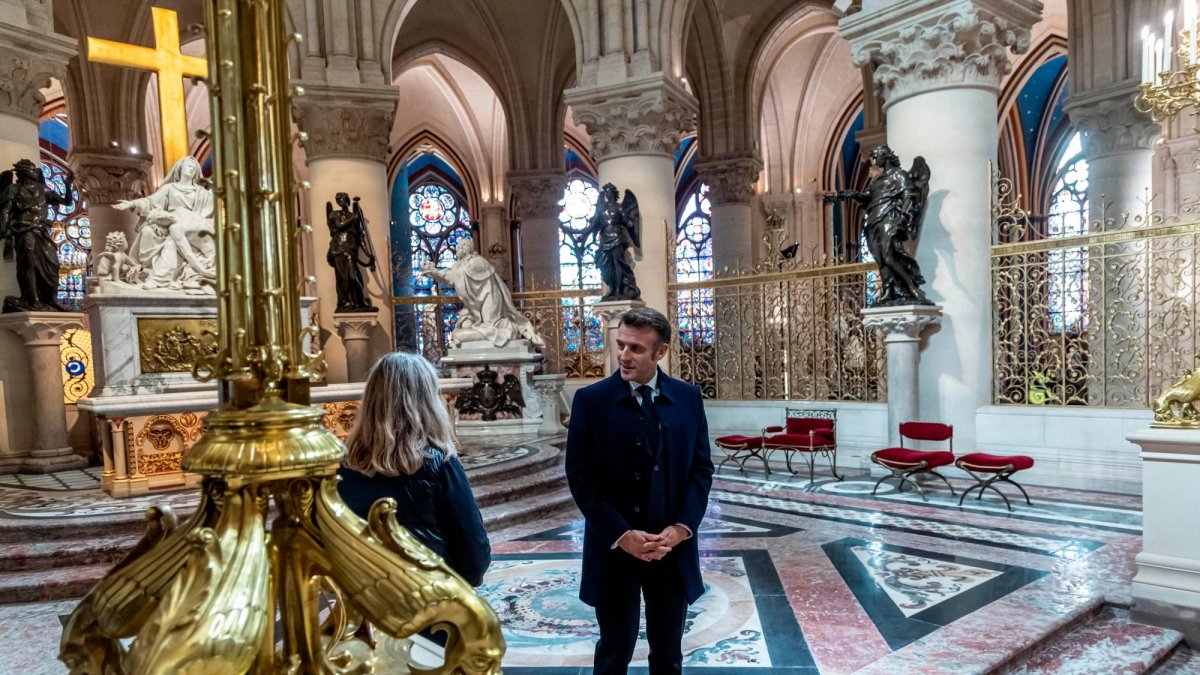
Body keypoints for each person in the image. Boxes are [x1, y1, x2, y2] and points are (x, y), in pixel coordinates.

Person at [565, 306, 714, 674]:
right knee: (614, 651)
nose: (624, 355)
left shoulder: (688, 397)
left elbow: (700, 470)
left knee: (668, 655)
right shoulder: (591, 401)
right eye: (621, 345)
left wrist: (681, 528)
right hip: (614, 548)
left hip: (670, 549)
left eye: (636, 348)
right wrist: (621, 534)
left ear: (660, 351)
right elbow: (581, 477)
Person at [337, 351, 491, 588]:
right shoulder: (440, 465)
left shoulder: (341, 468)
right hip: (428, 597)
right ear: (428, 402)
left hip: (364, 598)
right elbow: (473, 555)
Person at [420, 235, 545, 348]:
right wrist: (433, 272)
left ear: (467, 248)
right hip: (474, 307)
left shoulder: (477, 261)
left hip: (489, 298)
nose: (457, 248)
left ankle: (514, 329)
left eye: (461, 246)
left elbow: (455, 275)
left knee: (491, 324)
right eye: (457, 246)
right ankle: (483, 332)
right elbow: (451, 276)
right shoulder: (458, 265)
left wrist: (435, 272)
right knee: (465, 326)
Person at [114, 155, 216, 291]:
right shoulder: (170, 188)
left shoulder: (203, 194)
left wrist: (191, 222)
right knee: (147, 231)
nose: (191, 168)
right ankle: (150, 272)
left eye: (194, 167)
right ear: (180, 169)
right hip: (169, 225)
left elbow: (207, 216)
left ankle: (157, 279)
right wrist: (132, 203)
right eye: (188, 165)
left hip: (191, 227)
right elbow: (150, 202)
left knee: (171, 244)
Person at [0, 159, 72, 312]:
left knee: (53, 264)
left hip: (42, 230)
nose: (35, 171)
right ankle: (32, 300)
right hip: (24, 229)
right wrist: (4, 228)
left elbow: (66, 202)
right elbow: (6, 210)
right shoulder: (14, 189)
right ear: (24, 172)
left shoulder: (43, 189)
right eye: (32, 169)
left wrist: (67, 185)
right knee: (29, 263)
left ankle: (51, 299)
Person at [326, 192, 377, 312]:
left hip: (350, 249)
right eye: (339, 200)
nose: (341, 202)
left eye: (343, 199)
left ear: (348, 201)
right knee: (342, 278)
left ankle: (360, 302)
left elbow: (360, 237)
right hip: (338, 249)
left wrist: (368, 254)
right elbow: (339, 225)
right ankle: (346, 302)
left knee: (353, 277)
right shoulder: (336, 214)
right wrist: (353, 217)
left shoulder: (355, 216)